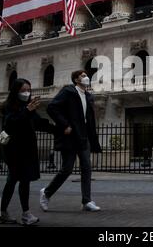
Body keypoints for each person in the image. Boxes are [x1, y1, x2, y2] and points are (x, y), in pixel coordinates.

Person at [40, 70, 102, 212]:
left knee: (86, 168)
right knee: (67, 169)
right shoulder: (68, 91)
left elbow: (88, 118)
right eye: (83, 76)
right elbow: (52, 107)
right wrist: (65, 124)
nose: (86, 78)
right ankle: (46, 193)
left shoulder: (88, 96)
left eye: (86, 75)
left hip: (84, 136)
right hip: (71, 137)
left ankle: (87, 201)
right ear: (75, 79)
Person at [0, 78, 55, 226]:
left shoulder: (28, 107)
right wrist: (26, 110)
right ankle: (22, 214)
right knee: (15, 180)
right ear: (16, 91)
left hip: (27, 149)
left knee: (21, 180)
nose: (26, 93)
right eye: (23, 90)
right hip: (14, 150)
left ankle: (7, 213)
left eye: (28, 90)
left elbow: (39, 123)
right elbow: (10, 124)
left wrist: (59, 129)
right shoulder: (10, 106)